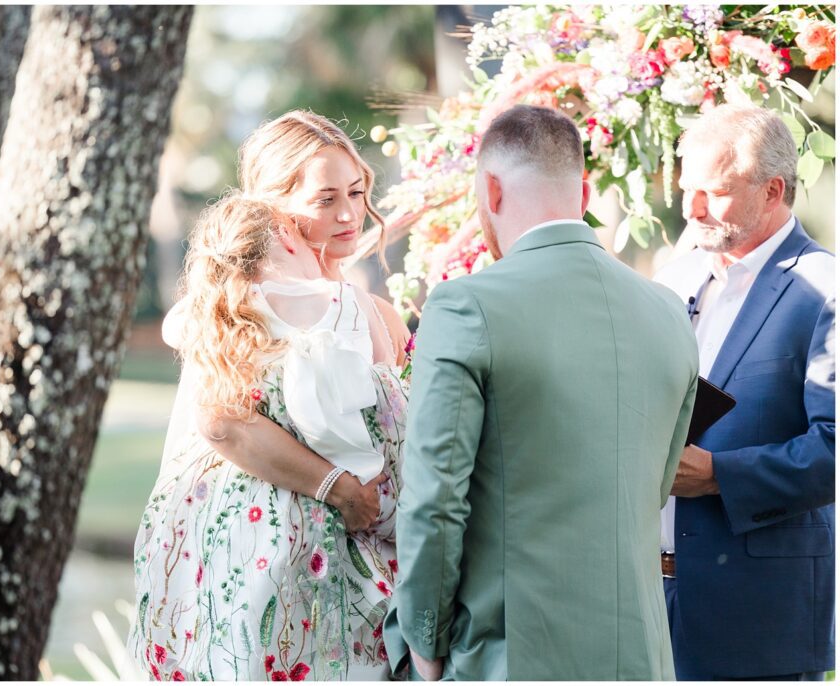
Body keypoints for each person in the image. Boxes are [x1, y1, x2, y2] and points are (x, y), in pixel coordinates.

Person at [383, 104, 699, 680]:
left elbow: (434, 499)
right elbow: (654, 485)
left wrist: (424, 640)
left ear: (492, 190)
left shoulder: (466, 305)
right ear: (582, 195)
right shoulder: (669, 313)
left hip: (513, 654)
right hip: (642, 657)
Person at [128, 193, 407, 680]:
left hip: (228, 546)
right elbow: (390, 433)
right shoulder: (346, 309)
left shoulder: (216, 317)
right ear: (284, 231)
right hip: (330, 548)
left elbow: (213, 410)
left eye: (357, 194)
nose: (347, 214)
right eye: (326, 200)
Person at [654, 104, 835, 681]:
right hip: (648, 603)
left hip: (759, 613)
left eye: (715, 191)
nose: (692, 208)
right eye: (687, 189)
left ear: (773, 190)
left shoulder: (824, 289)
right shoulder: (673, 281)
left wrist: (717, 474)